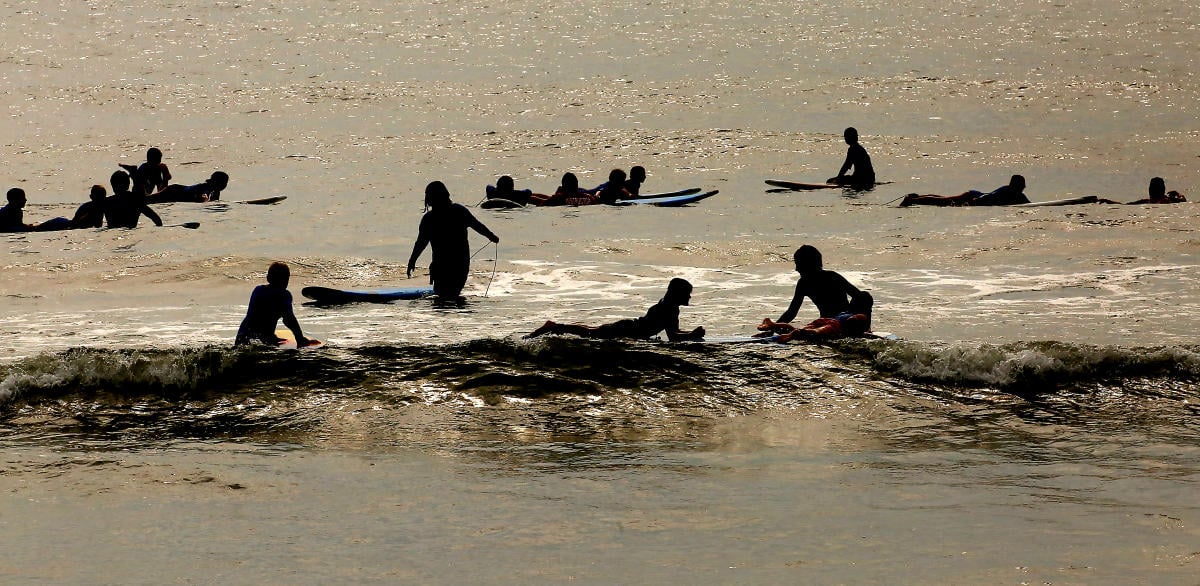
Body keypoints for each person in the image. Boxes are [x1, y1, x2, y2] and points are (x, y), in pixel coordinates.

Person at [527, 278, 706, 342]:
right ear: (678, 294)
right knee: (592, 334)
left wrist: (690, 333)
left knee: (592, 332)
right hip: (628, 330)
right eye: (688, 294)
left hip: (630, 328)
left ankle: (556, 326)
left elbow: (673, 332)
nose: (689, 297)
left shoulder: (671, 307)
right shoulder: (669, 308)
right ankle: (554, 327)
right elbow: (674, 337)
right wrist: (691, 335)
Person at [407, 181, 500, 300]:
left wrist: (412, 260)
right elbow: (477, 225)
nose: (427, 199)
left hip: (451, 266)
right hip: (451, 266)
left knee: (443, 300)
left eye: (428, 196)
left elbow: (421, 243)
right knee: (450, 297)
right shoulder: (457, 211)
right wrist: (491, 236)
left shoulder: (431, 218)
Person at [773, 245, 872, 332]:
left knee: (865, 296)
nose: (796, 269)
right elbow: (791, 312)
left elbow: (861, 298)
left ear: (810, 265)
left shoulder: (832, 277)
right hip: (825, 323)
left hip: (845, 321)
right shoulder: (803, 284)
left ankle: (866, 329)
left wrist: (863, 324)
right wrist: (773, 328)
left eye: (799, 264)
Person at [235, 261, 312, 347]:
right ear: (286, 281)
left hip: (243, 335)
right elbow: (289, 319)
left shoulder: (258, 291)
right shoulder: (284, 296)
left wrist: (272, 337)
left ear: (268, 278)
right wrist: (299, 337)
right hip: (263, 339)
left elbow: (260, 319)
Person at [758, 291, 874, 341]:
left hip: (827, 320)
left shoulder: (845, 312)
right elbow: (857, 318)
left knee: (803, 329)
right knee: (816, 332)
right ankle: (790, 335)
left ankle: (773, 324)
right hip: (835, 325)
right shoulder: (861, 315)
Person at [899, 174, 1029, 207]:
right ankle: (911, 200)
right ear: (1016, 185)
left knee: (945, 198)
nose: (1024, 187)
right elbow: (990, 197)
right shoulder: (1007, 191)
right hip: (972, 197)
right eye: (1022, 185)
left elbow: (1029, 204)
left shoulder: (1017, 195)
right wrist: (975, 201)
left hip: (975, 195)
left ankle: (917, 197)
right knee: (943, 202)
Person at [0, 188, 71, 232]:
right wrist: (30, 228)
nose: (25, 200)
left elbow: (17, 225)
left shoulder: (14, 209)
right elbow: (11, 227)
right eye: (22, 198)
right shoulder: (12, 211)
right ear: (15, 200)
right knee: (57, 221)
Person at [147, 171, 228, 203]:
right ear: (216, 182)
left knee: (151, 199)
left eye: (225, 183)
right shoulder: (206, 188)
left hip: (178, 192)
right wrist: (205, 200)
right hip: (174, 191)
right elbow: (204, 196)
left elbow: (214, 201)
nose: (224, 185)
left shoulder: (216, 191)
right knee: (149, 199)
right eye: (223, 183)